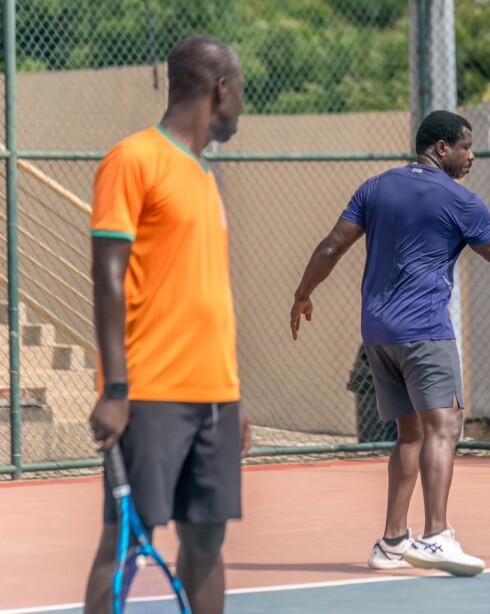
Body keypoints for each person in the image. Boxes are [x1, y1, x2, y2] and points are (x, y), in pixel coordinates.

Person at [290, 110, 490, 577]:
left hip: (377, 335)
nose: (471, 156)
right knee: (445, 429)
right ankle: (435, 536)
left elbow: (331, 247)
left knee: (410, 434)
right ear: (442, 148)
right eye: (465, 147)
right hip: (425, 331)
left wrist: (302, 294)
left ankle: (390, 543)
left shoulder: (374, 187)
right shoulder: (461, 200)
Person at [84, 35, 249, 614]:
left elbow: (207, 293)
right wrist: (116, 388)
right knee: (128, 541)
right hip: (149, 394)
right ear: (219, 90)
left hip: (215, 397)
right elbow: (107, 279)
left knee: (207, 540)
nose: (240, 110)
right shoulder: (133, 159)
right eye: (241, 94)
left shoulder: (204, 177)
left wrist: (234, 396)